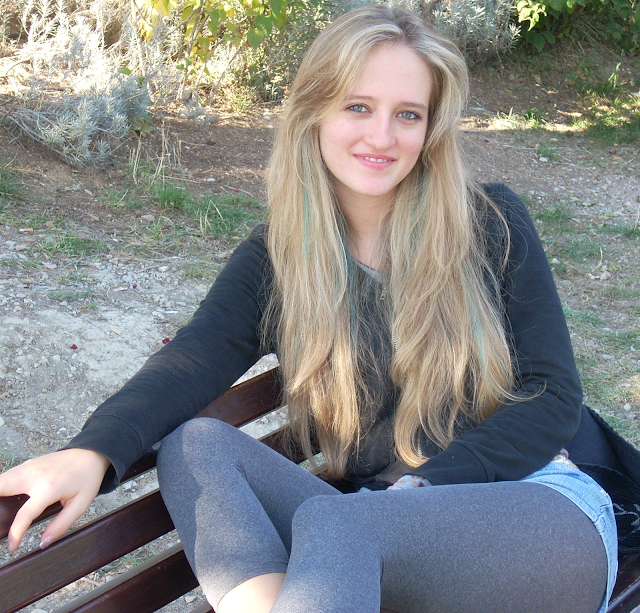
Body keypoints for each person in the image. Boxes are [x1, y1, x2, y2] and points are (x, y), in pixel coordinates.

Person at [1, 5, 636, 612]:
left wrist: (421, 489)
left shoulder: (488, 224)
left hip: (535, 514)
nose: (381, 136)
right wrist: (92, 450)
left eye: (408, 114)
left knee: (341, 523)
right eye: (358, 106)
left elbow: (552, 395)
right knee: (195, 446)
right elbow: (193, 359)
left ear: (430, 129)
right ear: (314, 112)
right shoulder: (280, 260)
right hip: (372, 531)